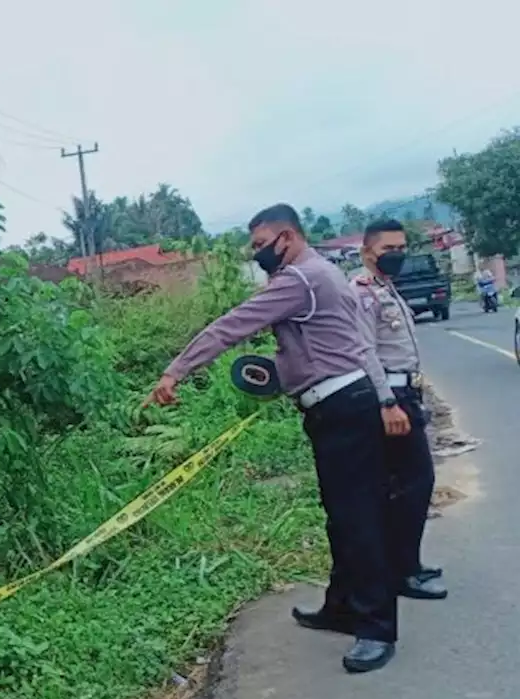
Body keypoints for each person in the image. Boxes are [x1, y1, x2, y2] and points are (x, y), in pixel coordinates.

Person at [144, 203, 399, 674]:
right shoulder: (323, 272)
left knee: (358, 518)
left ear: (288, 238)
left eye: (262, 245)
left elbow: (232, 325)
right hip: (338, 405)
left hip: (342, 407)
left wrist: (175, 370)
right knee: (342, 516)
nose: (257, 253)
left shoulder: (298, 280)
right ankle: (343, 606)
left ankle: (377, 628)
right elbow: (322, 346)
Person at [351, 220, 447, 601]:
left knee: (409, 484)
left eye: (402, 247)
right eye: (388, 249)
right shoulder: (362, 294)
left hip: (407, 393)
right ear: (367, 253)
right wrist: (387, 403)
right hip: (391, 398)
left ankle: (408, 563)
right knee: (415, 481)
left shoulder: (387, 288)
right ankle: (402, 572)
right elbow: (364, 351)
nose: (398, 255)